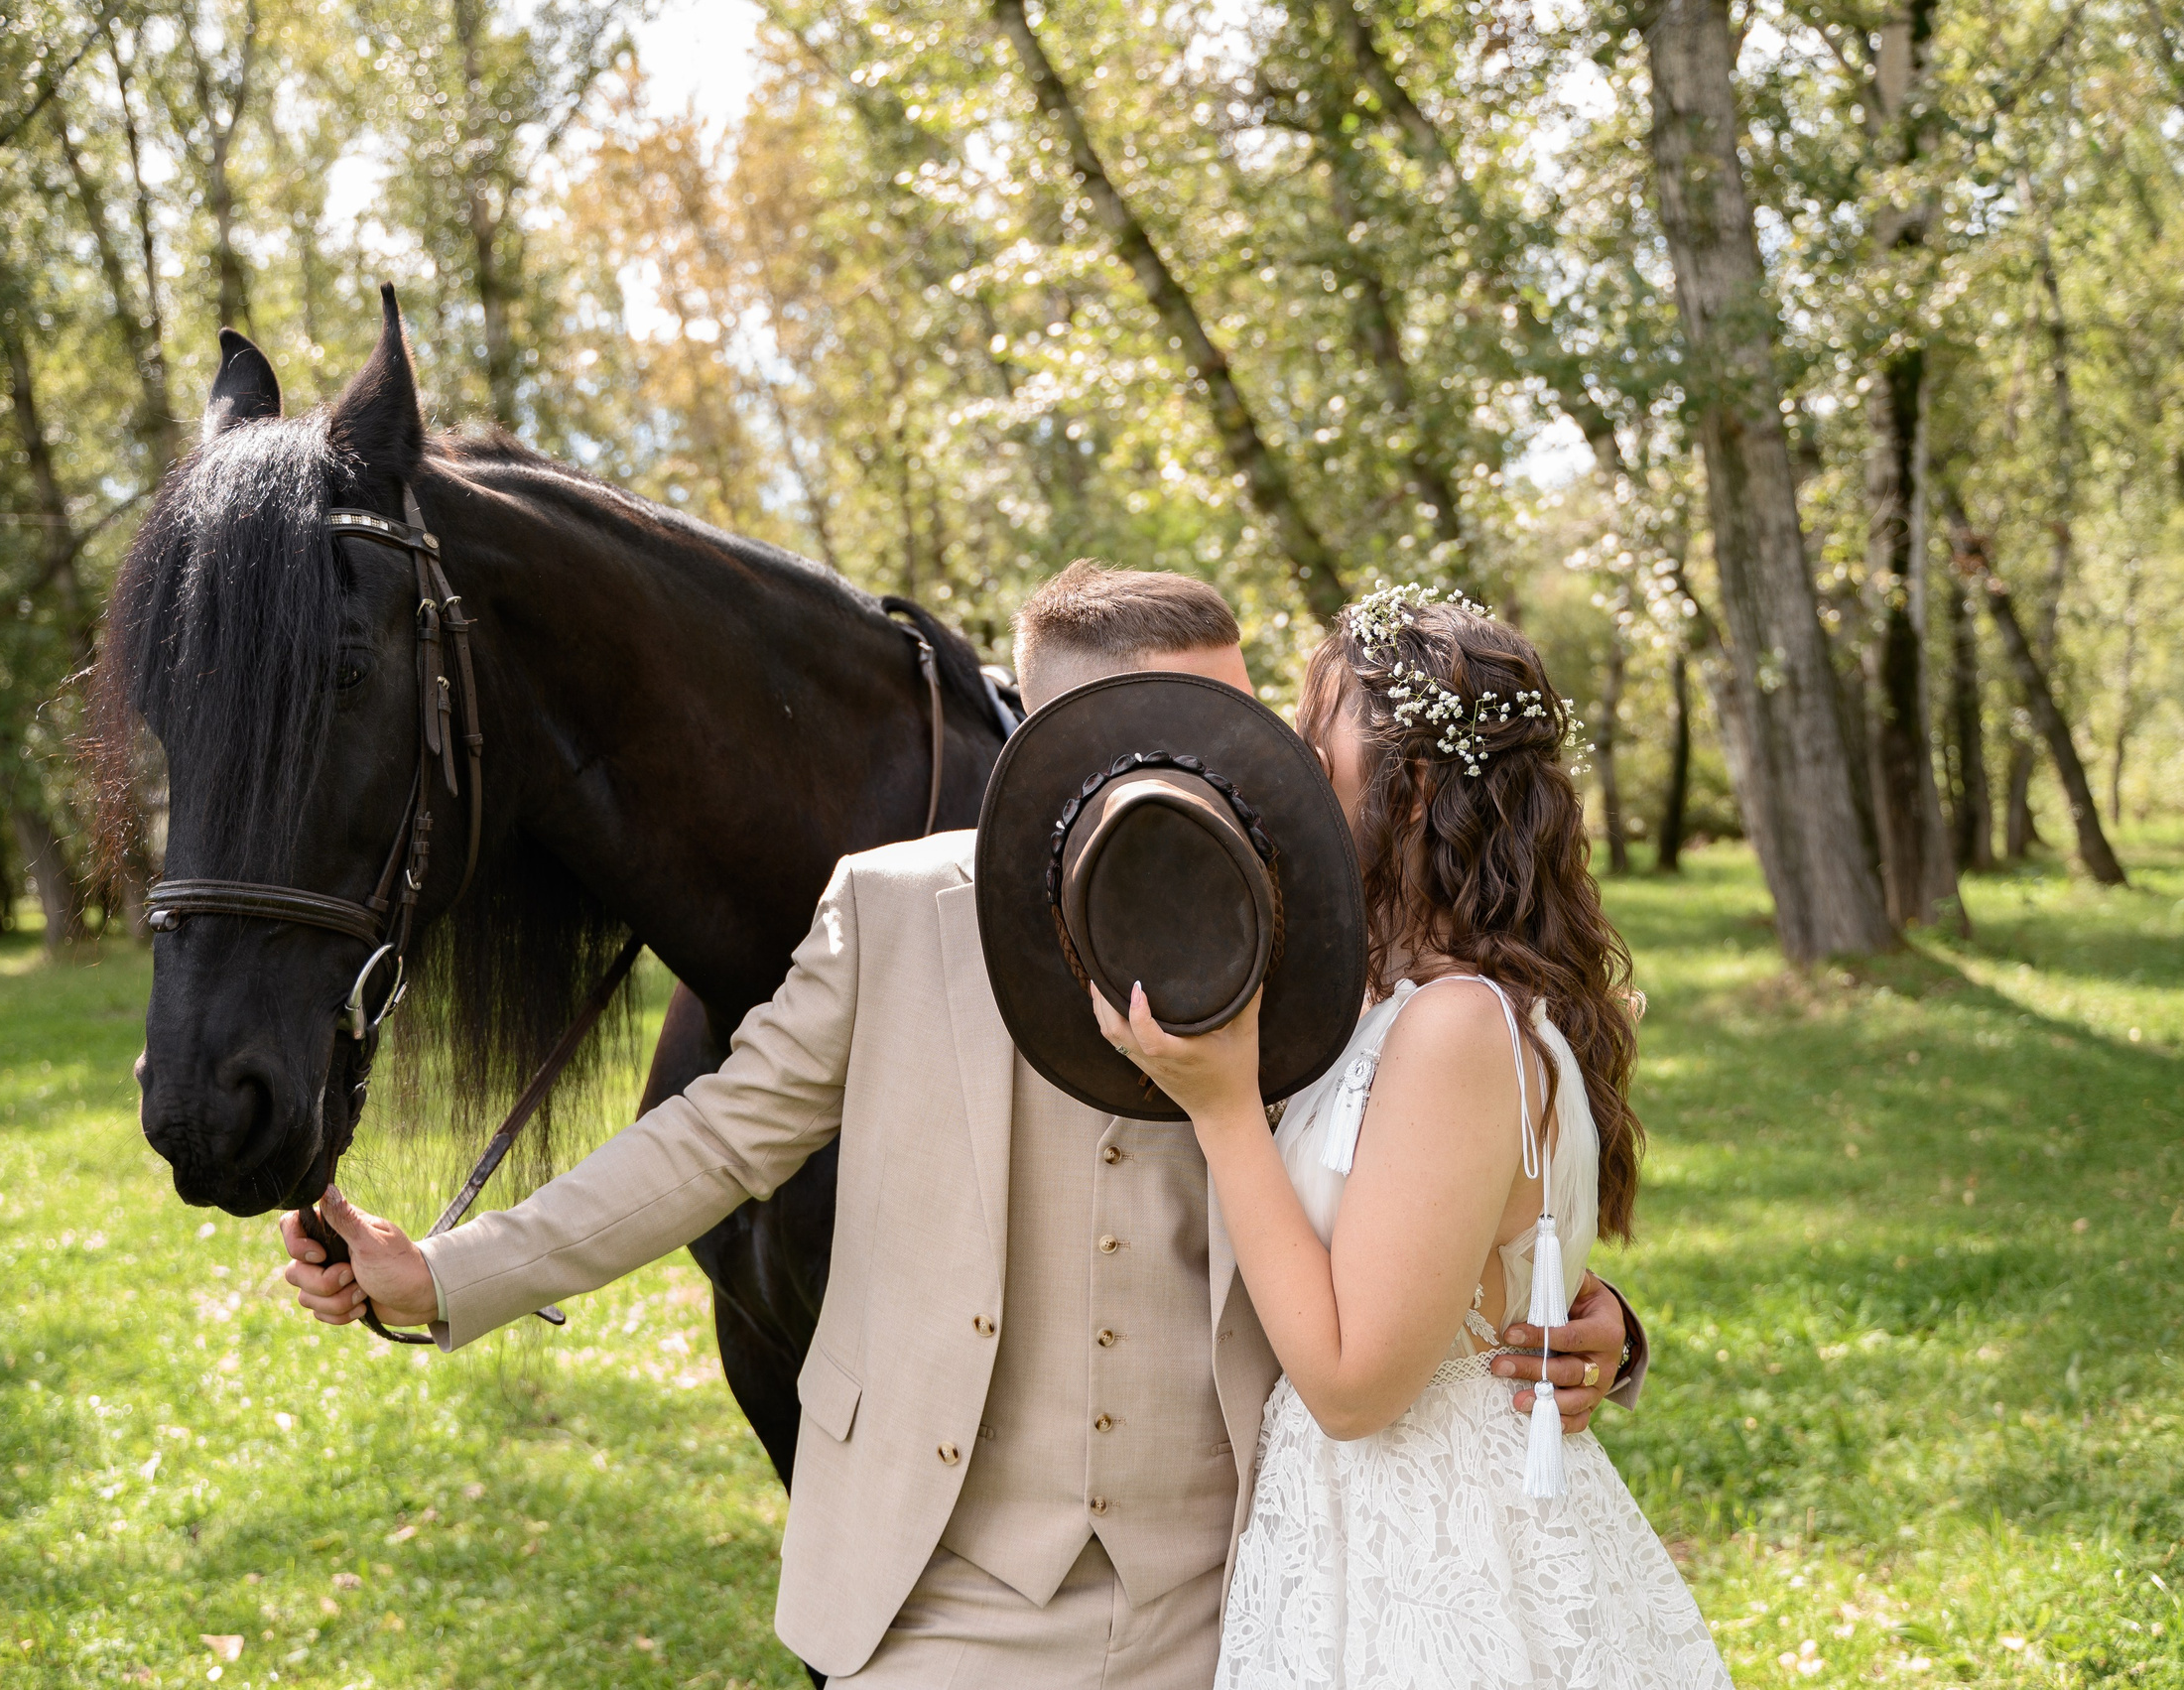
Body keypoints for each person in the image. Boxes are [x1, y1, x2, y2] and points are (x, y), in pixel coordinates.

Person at [279, 562, 1641, 1686]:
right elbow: (717, 1137)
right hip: (931, 1592)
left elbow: (1446, 1169)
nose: (1214, 788)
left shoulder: (1318, 928)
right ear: (1041, 746)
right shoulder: (894, 910)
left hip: (1224, 1589)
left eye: (1237, 742)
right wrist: (447, 1270)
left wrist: (1585, 1317)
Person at [1093, 585, 1728, 1686]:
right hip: (1341, 1534)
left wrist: (1224, 1108)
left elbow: (1353, 1385)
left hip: (1433, 1554)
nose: (1284, 761)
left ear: (1416, 782)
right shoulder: (1379, 998)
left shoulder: (1451, 1028)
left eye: (1312, 734)